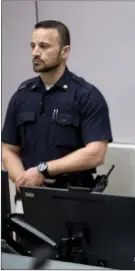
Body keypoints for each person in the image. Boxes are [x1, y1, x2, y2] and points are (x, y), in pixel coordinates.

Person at [1, 20, 113, 213]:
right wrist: (25, 181)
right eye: (33, 46)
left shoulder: (86, 95)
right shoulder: (22, 95)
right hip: (28, 201)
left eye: (44, 46)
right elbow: (8, 149)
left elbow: (96, 153)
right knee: (23, 244)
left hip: (72, 201)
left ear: (65, 52)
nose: (35, 52)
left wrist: (43, 169)